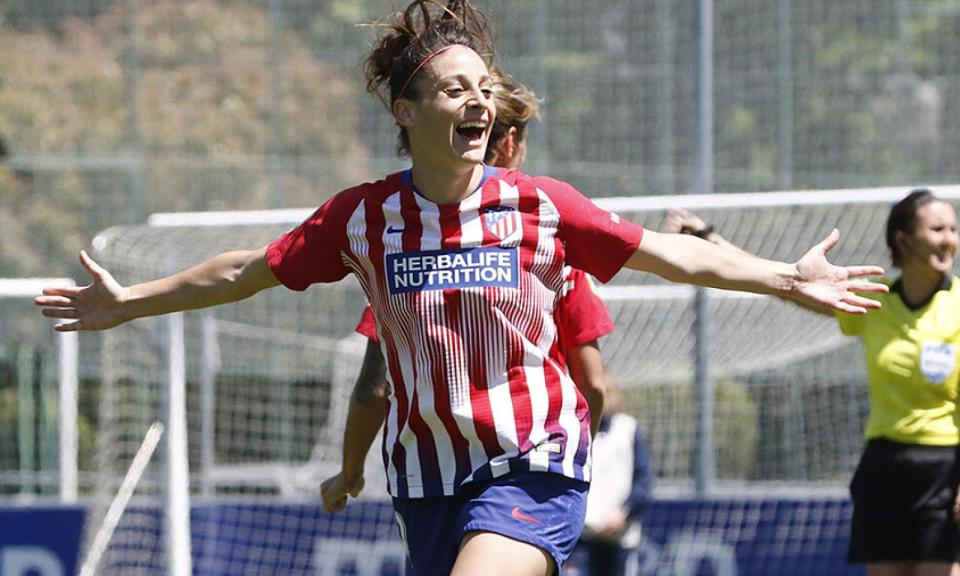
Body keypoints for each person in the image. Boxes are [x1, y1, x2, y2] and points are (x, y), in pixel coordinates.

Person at [36, 2, 887, 575]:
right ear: (406, 112)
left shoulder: (539, 206)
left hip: (535, 461)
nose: (478, 102)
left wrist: (785, 276)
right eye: (455, 89)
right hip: (427, 479)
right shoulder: (362, 218)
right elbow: (246, 270)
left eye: (485, 89)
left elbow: (669, 255)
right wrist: (131, 301)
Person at [666, 191, 960, 576]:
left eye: (953, 230)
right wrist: (710, 240)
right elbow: (787, 285)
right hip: (884, 466)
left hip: (946, 468)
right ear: (904, 239)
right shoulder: (876, 302)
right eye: (938, 229)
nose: (949, 239)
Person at [337, 64, 613, 516]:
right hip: (533, 472)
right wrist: (572, 470)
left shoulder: (406, 243)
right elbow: (593, 385)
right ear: (510, 143)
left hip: (432, 481)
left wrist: (349, 472)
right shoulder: (547, 244)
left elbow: (373, 387)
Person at [564, 377, 652, 576]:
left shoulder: (628, 428)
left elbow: (643, 481)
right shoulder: (576, 429)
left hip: (620, 538)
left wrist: (624, 512)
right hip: (583, 537)